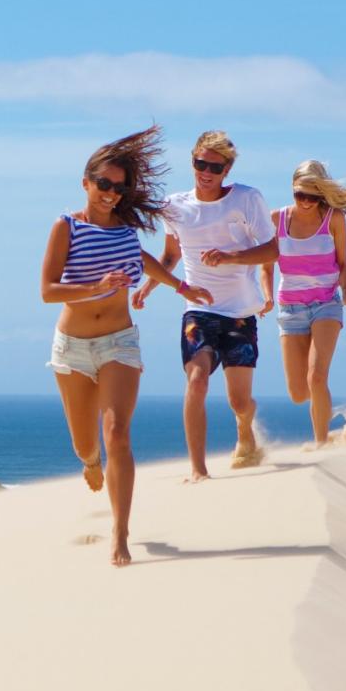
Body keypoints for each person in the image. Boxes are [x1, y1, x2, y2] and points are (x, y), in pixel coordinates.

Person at [41, 125, 213, 566]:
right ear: (86, 183)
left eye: (118, 187)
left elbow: (143, 260)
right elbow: (47, 290)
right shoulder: (66, 227)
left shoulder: (125, 230)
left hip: (119, 341)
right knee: (87, 445)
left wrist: (181, 287)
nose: (110, 193)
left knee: (117, 431)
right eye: (103, 184)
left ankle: (120, 533)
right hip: (73, 347)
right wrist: (94, 286)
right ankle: (90, 461)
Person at [133, 131, 277, 482]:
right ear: (192, 161)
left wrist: (232, 256)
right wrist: (149, 285)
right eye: (200, 163)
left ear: (227, 169)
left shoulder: (247, 199)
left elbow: (272, 250)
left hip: (241, 313)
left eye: (215, 166)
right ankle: (198, 470)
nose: (206, 172)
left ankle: (245, 429)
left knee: (240, 403)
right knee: (196, 380)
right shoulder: (175, 206)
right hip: (198, 309)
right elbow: (169, 255)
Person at [260, 159, 346, 446]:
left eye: (313, 196)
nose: (307, 202)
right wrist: (266, 297)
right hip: (290, 309)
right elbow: (266, 267)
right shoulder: (277, 220)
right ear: (292, 189)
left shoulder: (334, 219)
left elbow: (344, 263)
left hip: (326, 304)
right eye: (301, 195)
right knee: (299, 392)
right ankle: (327, 418)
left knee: (317, 375)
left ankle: (322, 445)